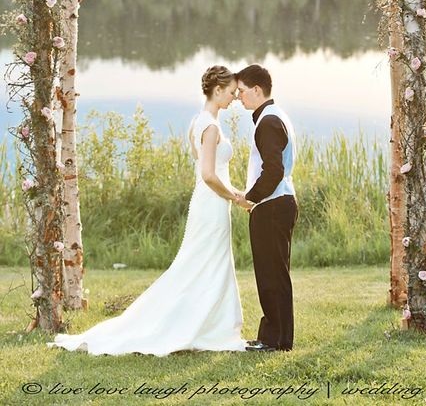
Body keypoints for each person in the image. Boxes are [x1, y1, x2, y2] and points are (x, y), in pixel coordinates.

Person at [47, 65, 247, 356]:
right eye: (230, 93)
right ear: (217, 91)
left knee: (202, 263)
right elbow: (207, 174)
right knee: (202, 263)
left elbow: (204, 168)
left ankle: (208, 323)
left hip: (207, 201)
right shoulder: (212, 127)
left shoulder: (197, 122)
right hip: (213, 202)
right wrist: (235, 196)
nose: (234, 99)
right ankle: (204, 326)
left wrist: (229, 193)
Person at [234, 64, 298, 352]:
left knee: (271, 274)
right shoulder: (275, 116)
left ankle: (274, 340)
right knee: (276, 272)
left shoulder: (269, 122)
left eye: (242, 92)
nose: (238, 98)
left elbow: (273, 171)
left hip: (272, 206)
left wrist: (251, 197)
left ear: (257, 90)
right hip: (278, 203)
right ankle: (279, 339)